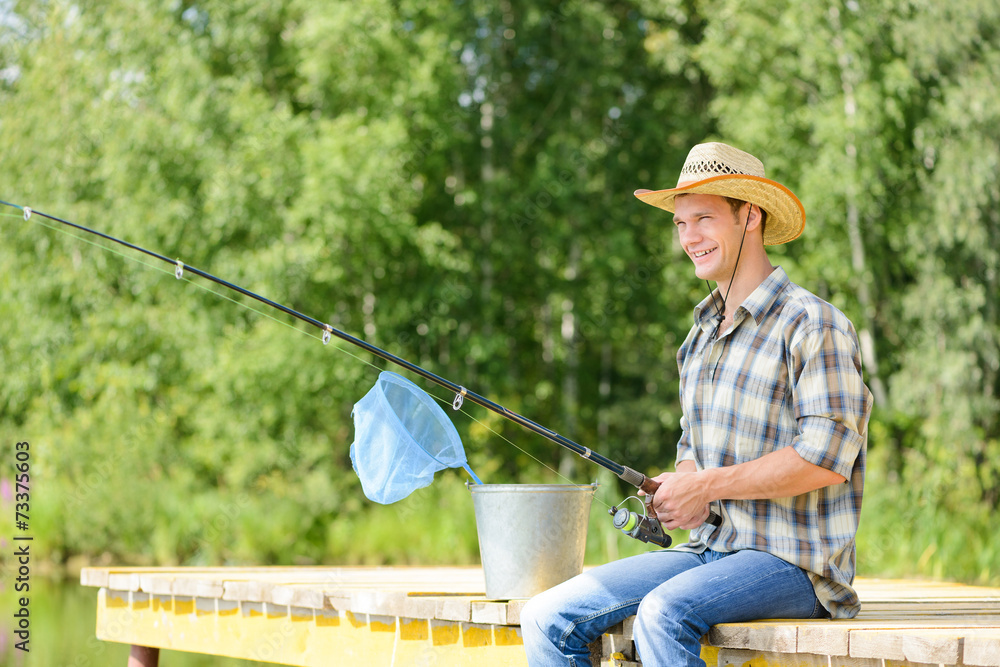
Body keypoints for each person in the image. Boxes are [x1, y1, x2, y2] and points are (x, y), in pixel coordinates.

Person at [520, 142, 873, 667]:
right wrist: (684, 488)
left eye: (703, 218)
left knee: (663, 613)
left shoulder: (812, 324)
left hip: (796, 566)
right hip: (709, 550)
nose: (689, 238)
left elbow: (823, 460)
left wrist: (706, 484)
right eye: (681, 223)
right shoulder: (699, 337)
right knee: (548, 615)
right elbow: (694, 452)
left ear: (749, 216)